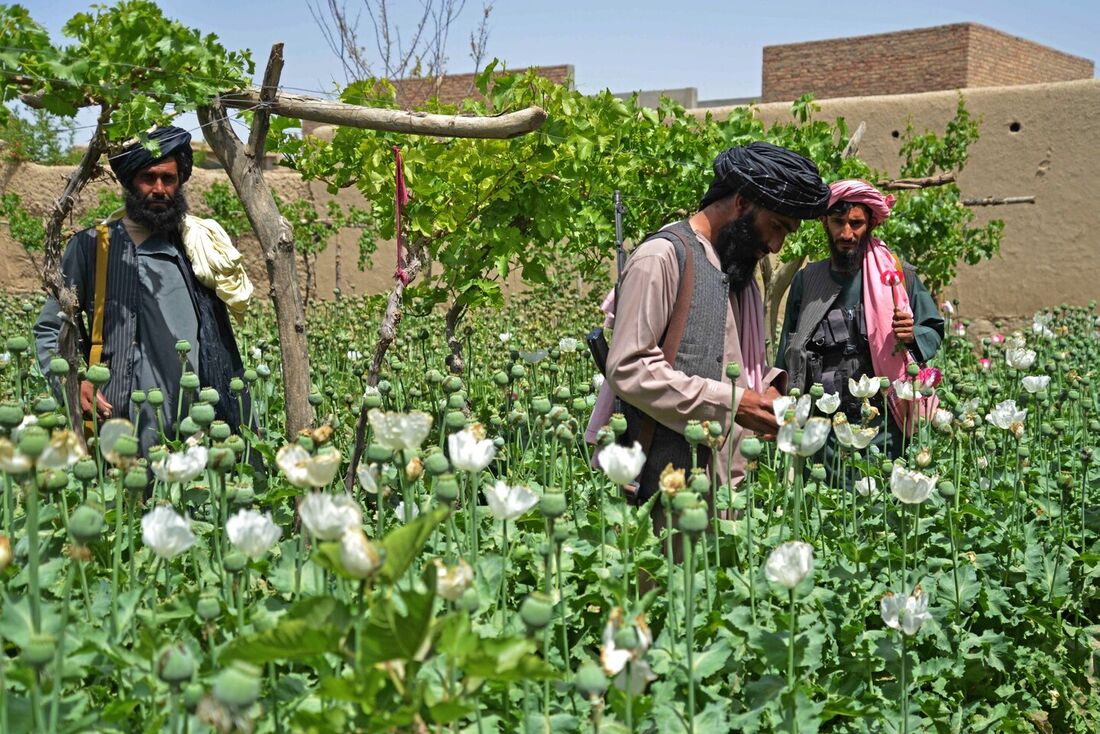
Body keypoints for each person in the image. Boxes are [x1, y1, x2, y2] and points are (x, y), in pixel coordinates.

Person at [587, 141, 833, 505]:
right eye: (776, 226)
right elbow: (629, 367)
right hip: (660, 492)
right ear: (742, 203)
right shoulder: (662, 257)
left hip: (724, 493)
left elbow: (736, 367)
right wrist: (733, 403)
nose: (778, 245)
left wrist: (766, 395)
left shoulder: (740, 274)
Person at [34, 125, 253, 454]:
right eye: (149, 178)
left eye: (169, 179)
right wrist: (71, 382)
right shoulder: (92, 248)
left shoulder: (196, 250)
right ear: (130, 182)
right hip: (122, 426)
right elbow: (49, 328)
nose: (160, 189)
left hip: (196, 429)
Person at [775, 179, 944, 459]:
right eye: (838, 222)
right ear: (824, 223)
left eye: (856, 224)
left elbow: (934, 329)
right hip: (822, 434)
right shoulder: (806, 281)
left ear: (870, 225)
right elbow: (788, 350)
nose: (846, 233)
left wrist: (912, 335)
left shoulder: (899, 277)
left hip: (886, 432)